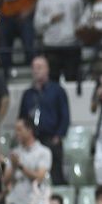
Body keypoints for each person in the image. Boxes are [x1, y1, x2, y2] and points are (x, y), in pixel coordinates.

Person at [18, 55, 70, 186]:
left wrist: (58, 136)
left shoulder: (57, 90)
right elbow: (22, 117)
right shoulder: (28, 94)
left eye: (40, 67)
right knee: (32, 172)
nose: (36, 70)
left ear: (47, 69)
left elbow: (65, 115)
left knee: (56, 174)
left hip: (51, 138)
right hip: (32, 139)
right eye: (34, 68)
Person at [33, 0, 84, 82]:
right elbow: (37, 25)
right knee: (51, 80)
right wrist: (50, 19)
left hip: (71, 44)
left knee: (72, 78)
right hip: (51, 45)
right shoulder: (44, 0)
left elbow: (81, 20)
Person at [4, 117, 52, 204]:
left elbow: (39, 177)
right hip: (16, 202)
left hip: (35, 202)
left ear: (29, 130)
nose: (16, 133)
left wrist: (20, 167)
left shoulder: (43, 152)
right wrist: (13, 167)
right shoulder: (14, 152)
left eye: (19, 129)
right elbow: (5, 180)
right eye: (15, 129)